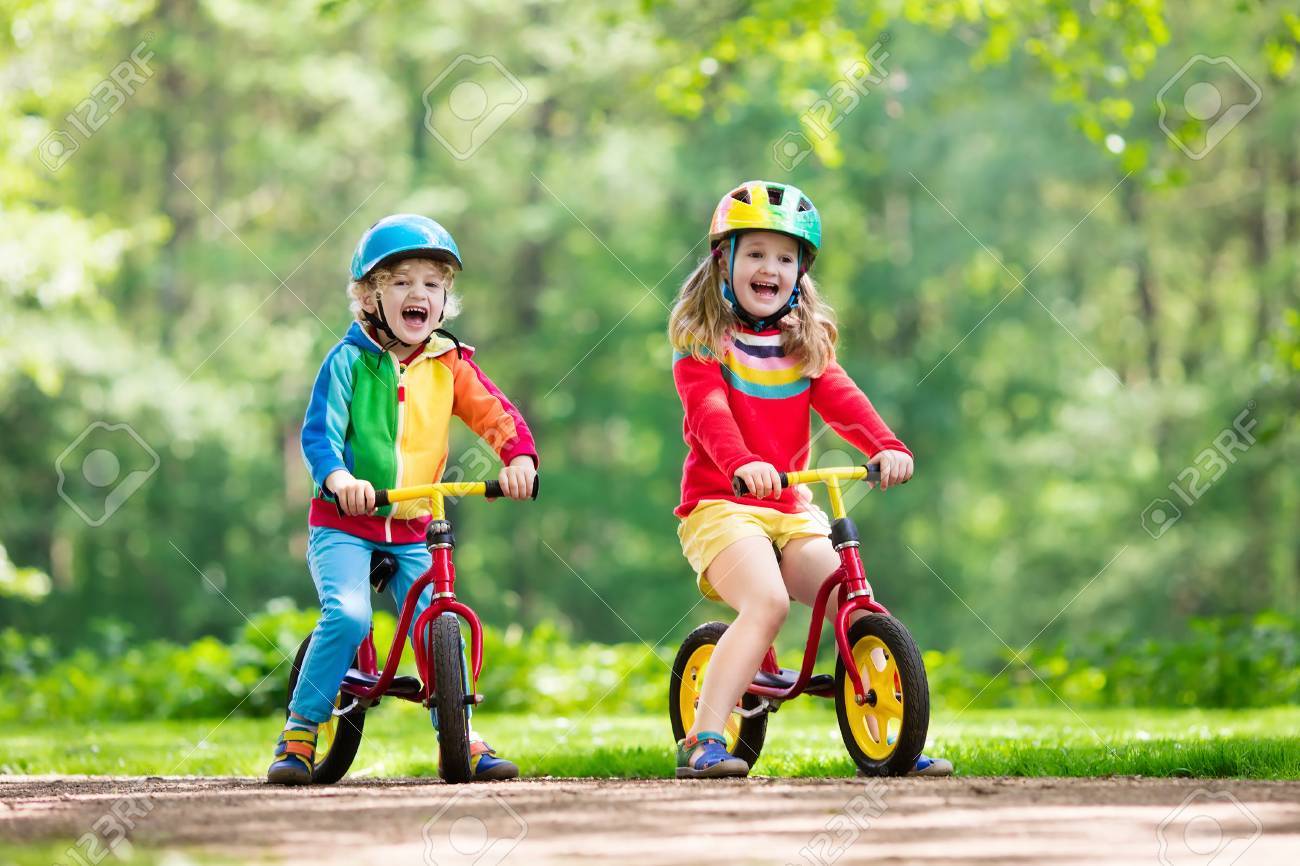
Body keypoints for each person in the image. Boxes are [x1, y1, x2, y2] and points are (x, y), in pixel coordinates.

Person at [667, 181, 952, 778]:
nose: (770, 268)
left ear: (800, 272)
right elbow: (709, 414)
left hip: (790, 506)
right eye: (756, 254)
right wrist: (743, 462)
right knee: (767, 603)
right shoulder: (703, 346)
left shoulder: (804, 347)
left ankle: (895, 736)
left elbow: (845, 402)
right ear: (724, 259)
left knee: (853, 597)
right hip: (722, 505)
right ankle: (703, 739)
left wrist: (887, 446)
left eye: (785, 257)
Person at [268, 214, 538, 785]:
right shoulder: (347, 361)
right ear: (368, 296)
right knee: (347, 614)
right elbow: (320, 434)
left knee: (436, 621)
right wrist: (339, 480)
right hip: (345, 523)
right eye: (401, 282)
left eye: (433, 285)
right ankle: (299, 731)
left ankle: (461, 739)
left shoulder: (450, 364)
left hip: (415, 522)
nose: (419, 293)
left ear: (444, 301)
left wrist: (518, 459)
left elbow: (496, 414)